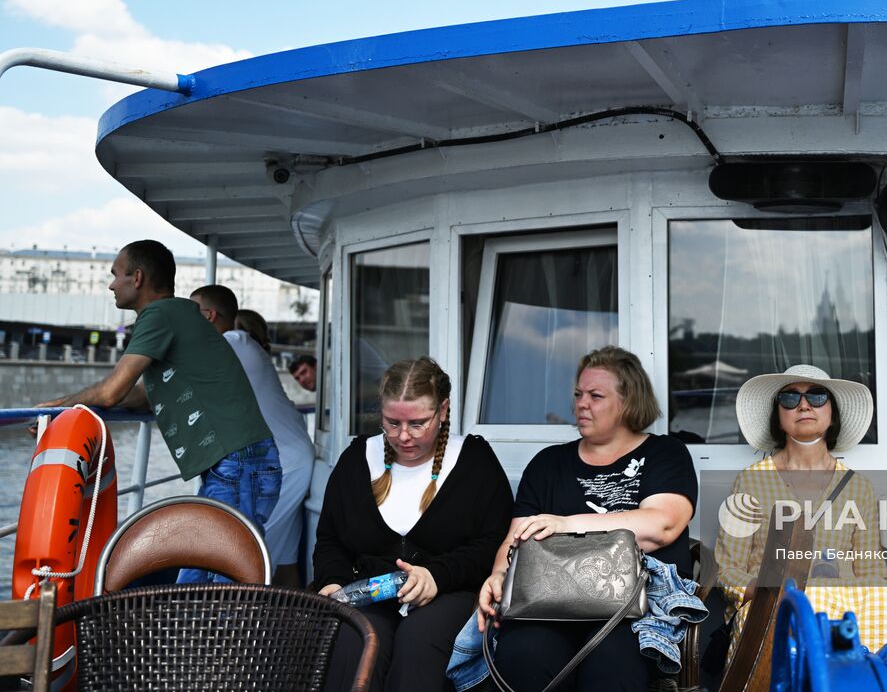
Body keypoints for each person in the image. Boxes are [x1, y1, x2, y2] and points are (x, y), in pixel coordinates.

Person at [36, 240, 280, 583]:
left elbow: (112, 391)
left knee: (222, 584)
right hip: (238, 461)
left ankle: (225, 636)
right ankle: (199, 636)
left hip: (237, 463)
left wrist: (57, 410)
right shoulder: (179, 315)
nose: (110, 284)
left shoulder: (159, 315)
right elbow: (140, 396)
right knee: (209, 577)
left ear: (137, 277)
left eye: (115, 275)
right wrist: (74, 407)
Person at [478, 346, 697, 692]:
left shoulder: (664, 454)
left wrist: (566, 524)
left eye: (596, 396)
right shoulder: (549, 463)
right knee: (524, 657)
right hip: (548, 602)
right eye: (579, 394)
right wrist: (497, 577)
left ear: (628, 402)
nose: (581, 403)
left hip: (631, 607)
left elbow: (662, 525)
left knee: (613, 667)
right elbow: (515, 539)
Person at [314, 356, 512, 692]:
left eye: (418, 423)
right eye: (391, 423)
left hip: (451, 592)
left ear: (443, 410)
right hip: (369, 594)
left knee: (420, 644)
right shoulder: (356, 459)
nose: (403, 436)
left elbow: (493, 543)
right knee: (353, 640)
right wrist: (333, 581)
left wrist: (437, 576)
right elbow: (330, 538)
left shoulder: (474, 461)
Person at [715, 364, 887, 661]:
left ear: (833, 415)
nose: (804, 405)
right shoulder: (751, 481)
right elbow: (727, 571)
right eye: (790, 399)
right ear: (778, 418)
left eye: (817, 396)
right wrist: (767, 589)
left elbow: (872, 572)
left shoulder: (858, 487)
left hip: (847, 604)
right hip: (773, 602)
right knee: (805, 599)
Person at [192, 287, 314, 587]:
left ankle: (242, 628)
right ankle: (294, 628)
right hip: (288, 460)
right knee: (283, 559)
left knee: (244, 551)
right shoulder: (243, 352)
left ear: (210, 316)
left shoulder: (233, 341)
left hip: (281, 465)